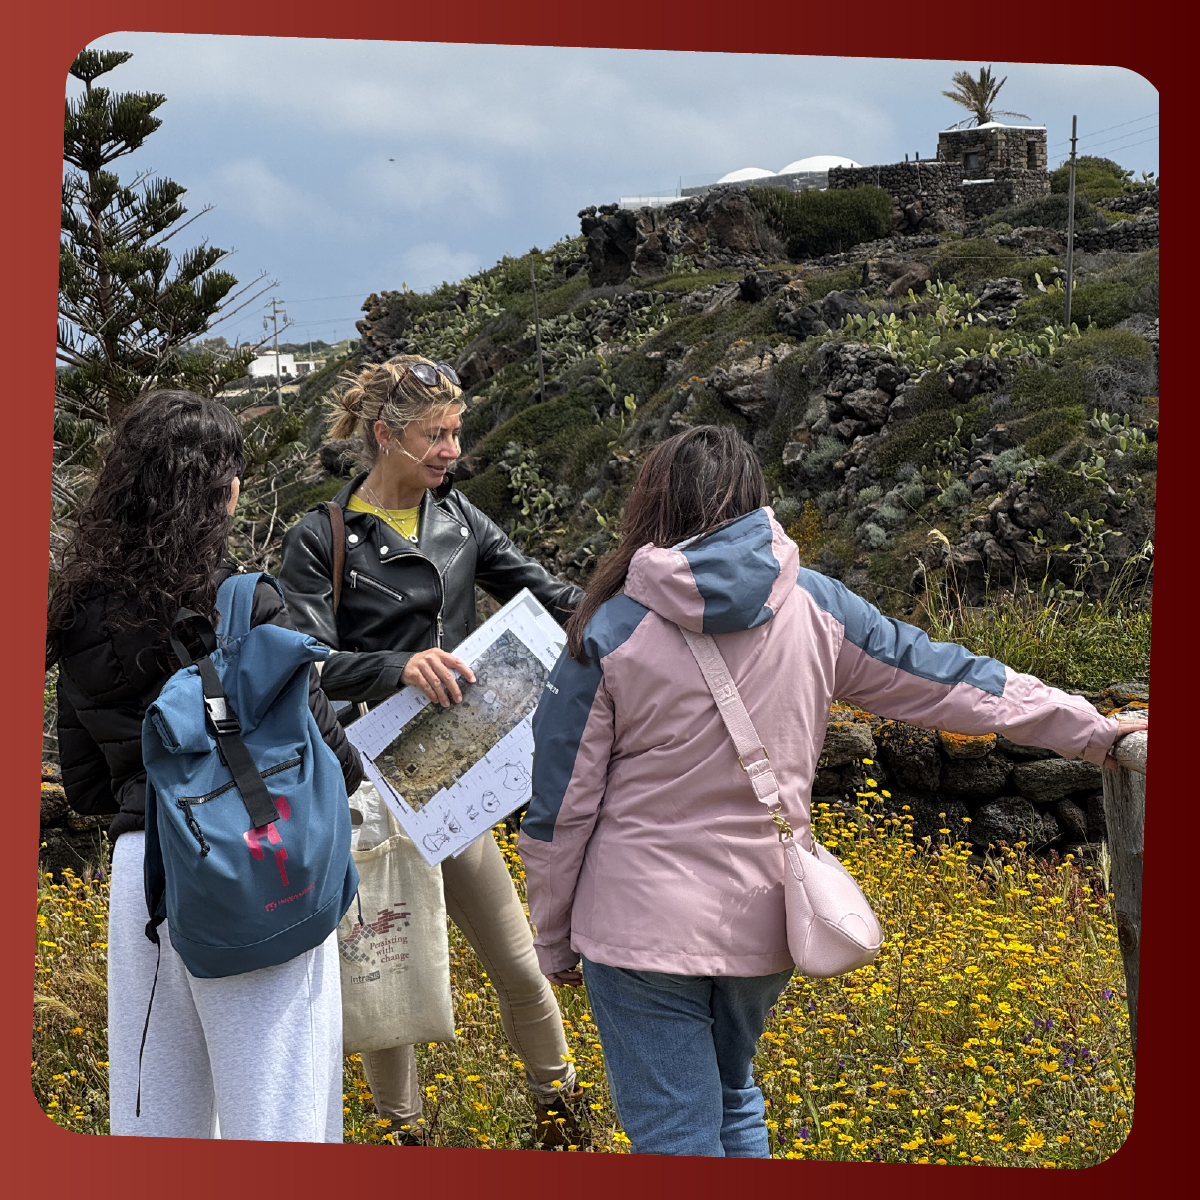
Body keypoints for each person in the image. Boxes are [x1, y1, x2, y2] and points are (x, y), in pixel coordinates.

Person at [518, 424, 1148, 1158]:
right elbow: (951, 681)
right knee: (734, 1100)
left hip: (638, 926)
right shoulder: (814, 604)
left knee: (671, 1134)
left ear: (651, 506)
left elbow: (560, 808)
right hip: (766, 916)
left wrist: (552, 933)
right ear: (755, 502)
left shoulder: (610, 629)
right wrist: (1093, 729)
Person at [276, 354, 587, 1147]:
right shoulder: (321, 537)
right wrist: (395, 666)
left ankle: (563, 1114)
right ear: (385, 435)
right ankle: (401, 1138)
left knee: (517, 962)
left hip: (452, 777)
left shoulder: (462, 519)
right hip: (364, 783)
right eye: (434, 434)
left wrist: (637, 621)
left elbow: (551, 594)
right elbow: (300, 659)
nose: (451, 450)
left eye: (455, 432)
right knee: (391, 977)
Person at [47, 390, 364, 1142]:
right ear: (215, 489)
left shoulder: (80, 609)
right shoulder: (245, 602)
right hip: (255, 868)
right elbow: (330, 757)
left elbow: (89, 785)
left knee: (159, 1122)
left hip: (142, 877)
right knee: (278, 1117)